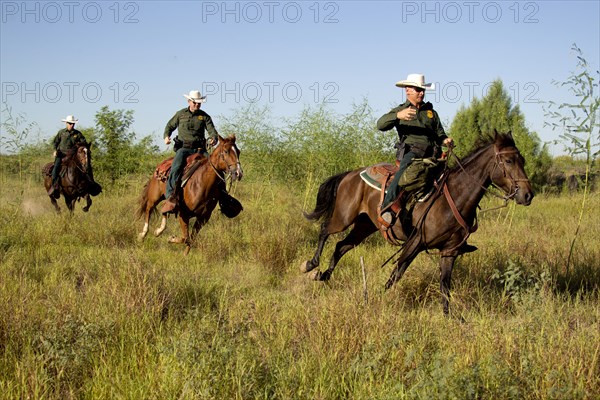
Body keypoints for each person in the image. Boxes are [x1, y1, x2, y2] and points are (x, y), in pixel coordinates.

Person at [377, 74, 454, 224]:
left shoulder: (431, 112)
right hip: (412, 152)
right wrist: (398, 116)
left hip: (434, 154)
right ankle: (386, 208)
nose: (421, 93)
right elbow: (380, 125)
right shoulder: (400, 110)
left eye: (423, 90)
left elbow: (440, 134)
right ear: (407, 91)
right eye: (418, 89)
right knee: (402, 173)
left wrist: (445, 140)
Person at [161, 90, 219, 214]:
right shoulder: (180, 114)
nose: (197, 105)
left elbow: (212, 131)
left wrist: (214, 139)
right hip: (184, 149)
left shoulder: (204, 116)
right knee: (176, 168)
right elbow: (169, 126)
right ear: (189, 101)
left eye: (199, 103)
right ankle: (170, 197)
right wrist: (166, 136)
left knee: (215, 167)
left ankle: (223, 198)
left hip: (200, 149)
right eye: (194, 103)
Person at [48, 115, 89, 197]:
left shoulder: (78, 134)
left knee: (85, 167)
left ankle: (90, 185)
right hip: (61, 154)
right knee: (55, 168)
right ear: (66, 123)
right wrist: (55, 150)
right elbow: (55, 142)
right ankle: (54, 186)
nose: (72, 125)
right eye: (70, 123)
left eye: (73, 124)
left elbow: (84, 143)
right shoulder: (61, 132)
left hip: (73, 156)